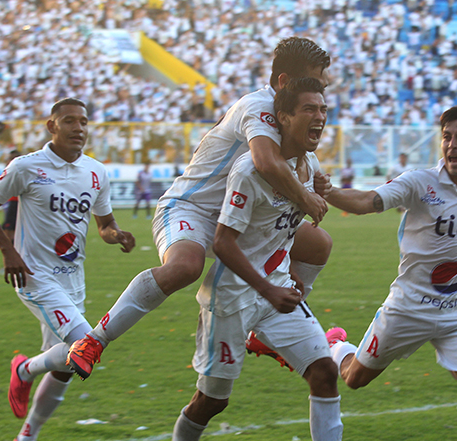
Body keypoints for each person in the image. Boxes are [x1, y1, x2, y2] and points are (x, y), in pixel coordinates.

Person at [67, 37, 334, 381]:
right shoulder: (259, 107)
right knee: (185, 267)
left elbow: (292, 166)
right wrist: (307, 198)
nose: (321, 90)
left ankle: (275, 320)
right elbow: (266, 162)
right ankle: (94, 340)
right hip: (191, 208)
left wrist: (316, 185)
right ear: (284, 82)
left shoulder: (297, 112)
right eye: (314, 81)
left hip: (242, 217)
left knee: (318, 244)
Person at [322, 106, 457, 441]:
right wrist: (327, 191)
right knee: (354, 378)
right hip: (408, 307)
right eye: (446, 137)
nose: (452, 145)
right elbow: (367, 201)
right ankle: (336, 346)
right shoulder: (419, 183)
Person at [168, 78, 342, 441]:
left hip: (275, 291)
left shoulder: (309, 166)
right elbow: (223, 242)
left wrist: (284, 275)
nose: (320, 117)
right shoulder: (249, 169)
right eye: (309, 109)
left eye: (323, 110)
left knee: (325, 372)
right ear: (284, 117)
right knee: (212, 400)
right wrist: (268, 289)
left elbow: (289, 224)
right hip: (232, 298)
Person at [0, 98, 135, 441]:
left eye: (84, 121)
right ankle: (23, 369)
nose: (79, 128)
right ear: (51, 126)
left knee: (65, 366)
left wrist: (116, 235)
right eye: (70, 121)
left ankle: (25, 440)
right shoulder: (26, 167)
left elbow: (104, 224)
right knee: (84, 345)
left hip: (73, 279)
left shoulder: (96, 172)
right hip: (34, 274)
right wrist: (9, 252)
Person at [0, 150, 20, 243]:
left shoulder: (18, 170)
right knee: (9, 227)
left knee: (10, 228)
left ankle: (11, 245)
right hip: (10, 201)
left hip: (15, 202)